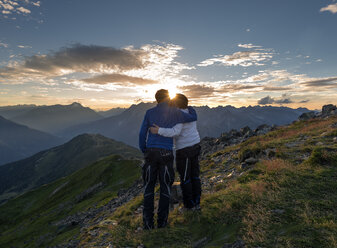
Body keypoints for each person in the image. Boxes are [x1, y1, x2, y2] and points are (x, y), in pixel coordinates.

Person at [139, 89, 198, 230]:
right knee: (165, 187)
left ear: (157, 99)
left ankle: (148, 224)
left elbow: (142, 133)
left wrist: (144, 149)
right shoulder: (175, 113)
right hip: (166, 154)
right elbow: (191, 118)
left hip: (151, 153)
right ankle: (162, 222)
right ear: (168, 98)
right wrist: (191, 109)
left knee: (149, 187)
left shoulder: (149, 113)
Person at [150, 94, 201, 211]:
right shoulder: (190, 112)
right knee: (195, 176)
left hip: (184, 149)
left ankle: (189, 205)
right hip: (195, 146)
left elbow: (175, 132)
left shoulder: (178, 116)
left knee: (185, 178)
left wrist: (158, 130)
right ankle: (197, 202)